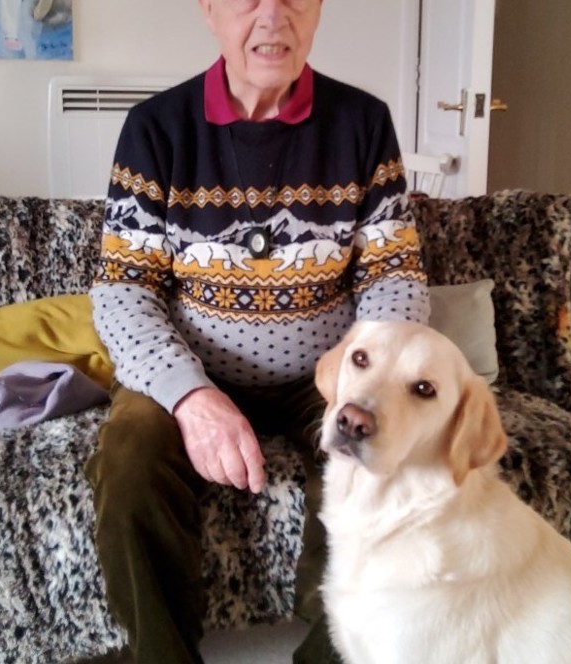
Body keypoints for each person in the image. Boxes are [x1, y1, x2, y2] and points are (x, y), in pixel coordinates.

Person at [85, 0, 430, 662]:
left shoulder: (362, 123)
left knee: (397, 471)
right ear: (210, 10)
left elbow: (395, 277)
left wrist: (363, 377)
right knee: (128, 460)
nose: (273, 17)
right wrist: (189, 396)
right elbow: (125, 290)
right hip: (194, 370)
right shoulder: (156, 129)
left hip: (325, 377)